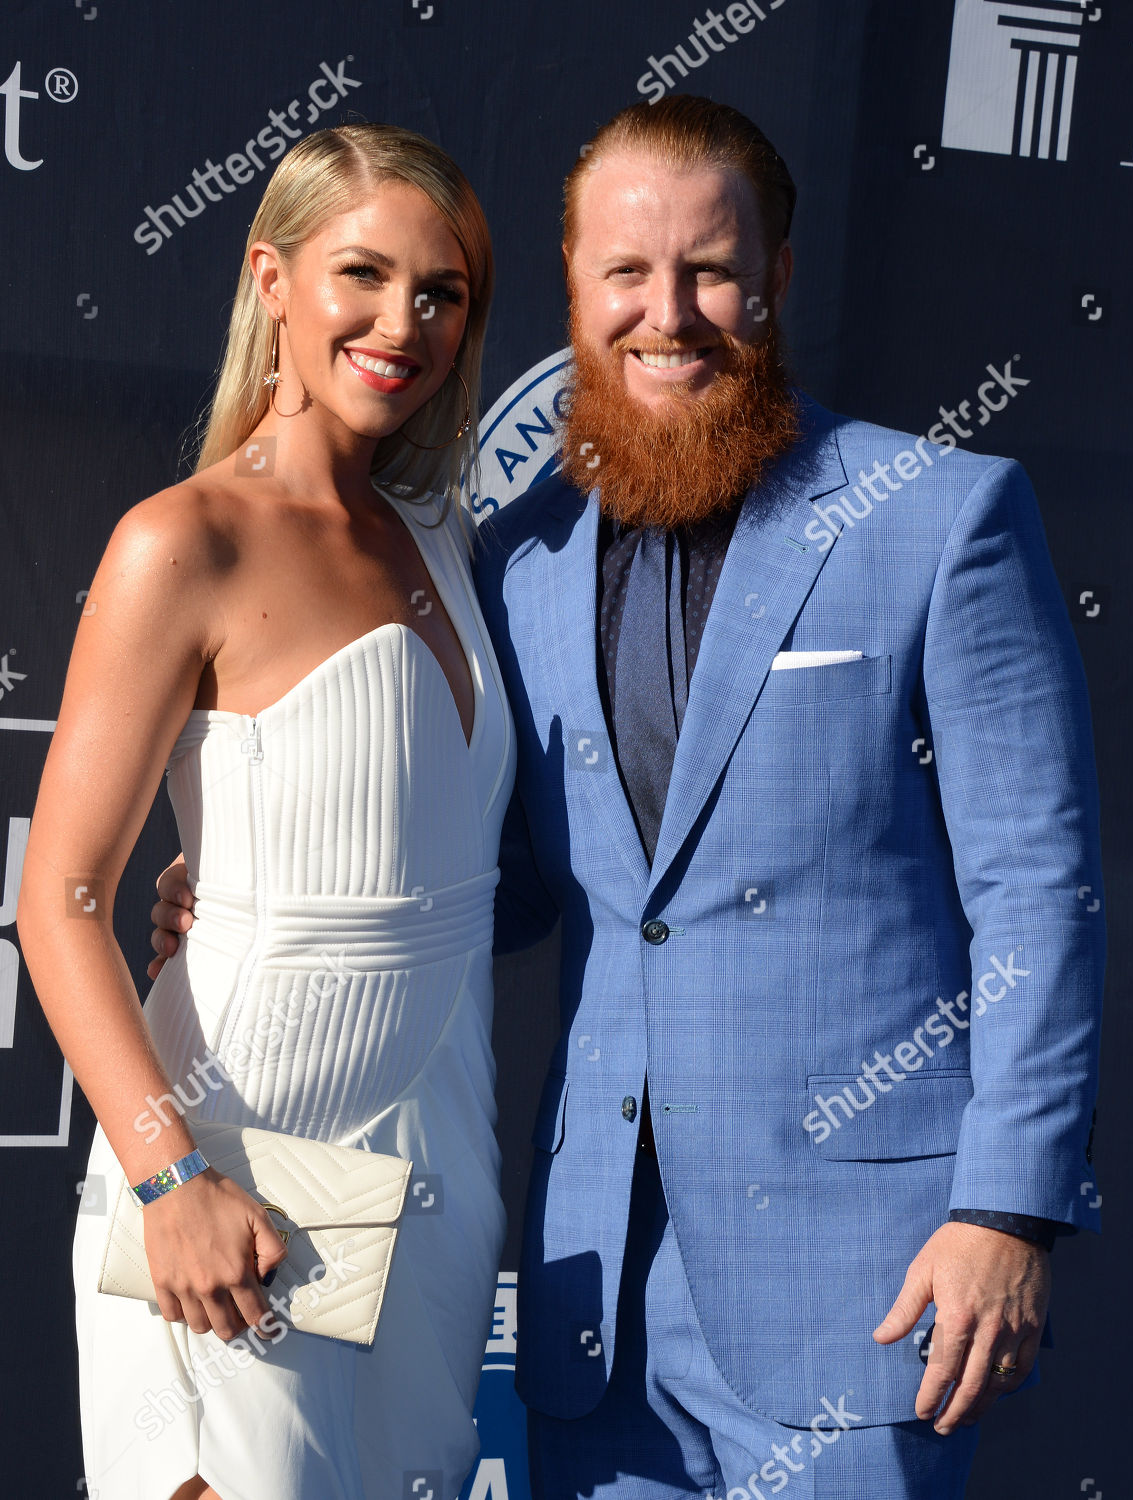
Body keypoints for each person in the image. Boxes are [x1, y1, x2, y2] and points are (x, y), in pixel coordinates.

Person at [154, 97, 1105, 1499]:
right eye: (627, 274)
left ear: (777, 279)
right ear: (574, 288)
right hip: (595, 1299)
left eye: (713, 270)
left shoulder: (936, 515)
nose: (672, 313)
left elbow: (1041, 883)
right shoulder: (519, 560)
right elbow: (516, 881)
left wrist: (1007, 1208)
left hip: (873, 1285)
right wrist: (276, 898)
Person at [17, 122, 514, 1500]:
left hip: (438, 1158)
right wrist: (171, 1184)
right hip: (238, 1162)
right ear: (271, 279)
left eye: (443, 291)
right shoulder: (183, 541)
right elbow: (56, 902)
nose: (400, 323)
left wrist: (221, 865)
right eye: (363, 272)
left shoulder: (441, 539)